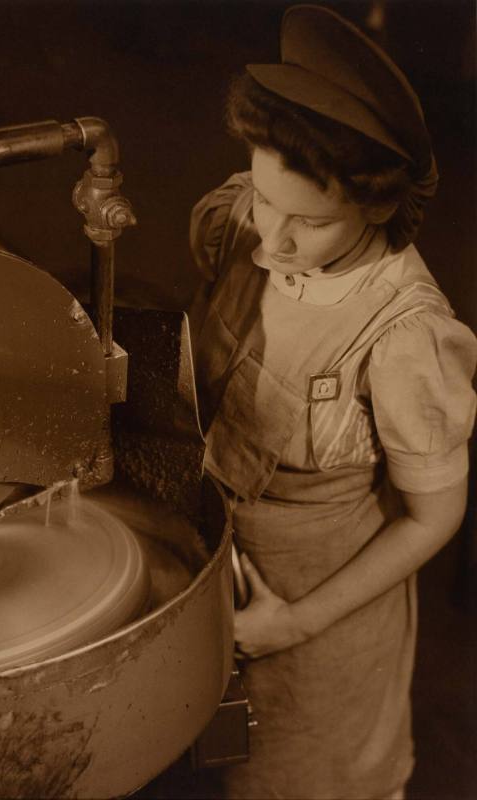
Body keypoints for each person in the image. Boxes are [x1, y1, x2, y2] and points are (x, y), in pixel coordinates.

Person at [188, 5, 477, 799]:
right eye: (262, 193)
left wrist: (299, 621)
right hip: (223, 570)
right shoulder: (246, 221)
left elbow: (434, 516)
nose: (268, 240)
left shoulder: (406, 334)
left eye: (308, 222)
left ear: (375, 207)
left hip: (321, 616)